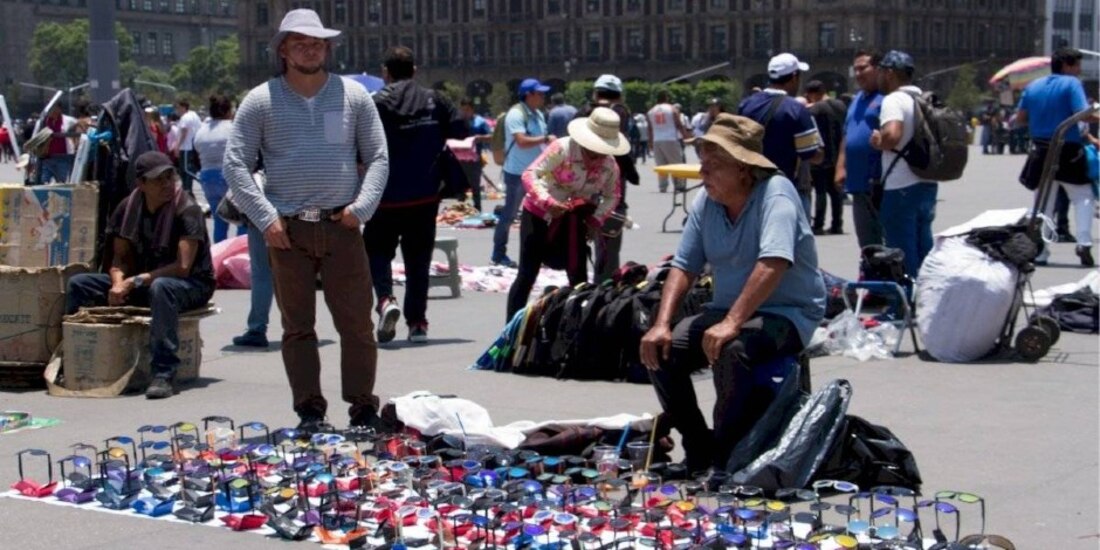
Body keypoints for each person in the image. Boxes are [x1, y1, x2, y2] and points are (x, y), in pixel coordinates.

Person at [224, 8, 390, 433]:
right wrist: (264, 218)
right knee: (297, 326)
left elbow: (377, 156)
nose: (310, 49)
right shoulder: (261, 99)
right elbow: (236, 163)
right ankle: (309, 410)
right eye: (300, 42)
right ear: (283, 50)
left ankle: (362, 406)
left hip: (343, 225)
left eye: (317, 43)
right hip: (287, 229)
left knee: (356, 323)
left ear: (328, 49)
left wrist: (362, 207)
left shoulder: (352, 96)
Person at [639, 114, 825, 472]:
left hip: (787, 312)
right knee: (660, 349)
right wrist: (661, 323)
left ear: (743, 169)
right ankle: (698, 448)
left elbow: (773, 262)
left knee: (733, 350)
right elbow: (684, 265)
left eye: (714, 165)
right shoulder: (708, 201)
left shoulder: (777, 195)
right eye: (702, 164)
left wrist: (732, 322)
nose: (703, 173)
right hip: (728, 310)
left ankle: (728, 457)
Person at [65, 151, 215, 399]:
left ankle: (163, 373)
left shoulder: (187, 208)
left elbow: (183, 266)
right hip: (144, 282)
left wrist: (135, 281)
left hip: (190, 285)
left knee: (163, 287)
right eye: (159, 180)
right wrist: (117, 284)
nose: (167, 185)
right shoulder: (127, 209)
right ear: (141, 184)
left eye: (170, 177)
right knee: (80, 285)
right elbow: (119, 258)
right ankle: (72, 359)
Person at [366, 46, 467, 344]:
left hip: (385, 194)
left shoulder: (377, 103)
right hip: (424, 195)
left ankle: (385, 299)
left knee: (376, 251)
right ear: (415, 69)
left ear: (386, 72)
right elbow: (460, 128)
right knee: (418, 260)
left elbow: (358, 140)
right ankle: (418, 323)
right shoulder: (436, 99)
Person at [505, 107, 625, 320]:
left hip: (575, 221)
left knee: (578, 275)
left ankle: (576, 328)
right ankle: (510, 329)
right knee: (527, 274)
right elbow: (531, 173)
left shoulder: (609, 165)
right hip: (539, 215)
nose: (597, 155)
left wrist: (596, 220)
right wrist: (548, 202)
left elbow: (612, 196)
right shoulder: (562, 148)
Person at [1015, 47, 1094, 266]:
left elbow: (1020, 118)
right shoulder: (1072, 84)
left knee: (1043, 201)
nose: (1078, 70)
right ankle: (1084, 242)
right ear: (1067, 65)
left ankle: (1040, 251)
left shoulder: (1033, 85)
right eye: (1077, 65)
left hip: (1040, 149)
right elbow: (1083, 113)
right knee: (1082, 195)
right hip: (1067, 147)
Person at [871, 50, 940, 278]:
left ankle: (901, 304)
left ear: (889, 73)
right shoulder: (924, 98)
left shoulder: (894, 99)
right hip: (927, 183)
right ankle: (926, 297)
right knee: (924, 246)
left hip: (900, 185)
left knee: (900, 250)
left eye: (881, 71)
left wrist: (878, 140)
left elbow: (892, 135)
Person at [737, 52, 823, 216]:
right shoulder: (796, 109)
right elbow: (812, 155)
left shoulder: (746, 105)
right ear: (794, 77)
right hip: (785, 189)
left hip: (751, 188)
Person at [575, 74, 640, 282]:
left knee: (577, 243)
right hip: (611, 187)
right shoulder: (619, 112)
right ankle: (604, 290)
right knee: (608, 245)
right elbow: (621, 150)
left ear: (596, 92)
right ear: (619, 95)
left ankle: (579, 287)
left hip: (580, 186)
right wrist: (632, 173)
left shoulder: (584, 111)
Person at [494, 78, 551, 268]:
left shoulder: (539, 115)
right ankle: (498, 254)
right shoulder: (515, 115)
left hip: (537, 174)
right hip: (517, 174)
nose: (543, 97)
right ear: (528, 95)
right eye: (540, 93)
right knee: (510, 214)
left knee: (540, 215)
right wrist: (545, 138)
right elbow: (521, 141)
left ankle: (539, 255)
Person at [835, 49, 885, 249]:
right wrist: (840, 166)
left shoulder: (887, 98)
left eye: (863, 68)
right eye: (855, 69)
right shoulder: (857, 99)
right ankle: (871, 275)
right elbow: (847, 135)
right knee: (866, 242)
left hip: (880, 183)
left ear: (878, 68)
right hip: (858, 184)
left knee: (885, 242)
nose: (858, 73)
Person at [193, 93, 243, 243]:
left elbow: (196, 158)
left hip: (207, 178)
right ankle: (239, 256)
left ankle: (219, 257)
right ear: (228, 111)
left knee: (219, 221)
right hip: (230, 176)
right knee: (242, 219)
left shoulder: (201, 131)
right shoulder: (234, 128)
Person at [805, 80, 848, 235]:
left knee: (821, 192)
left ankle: (818, 224)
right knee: (835, 192)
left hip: (821, 157)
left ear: (811, 94)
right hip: (839, 156)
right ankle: (837, 224)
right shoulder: (841, 106)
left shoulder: (814, 110)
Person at [648, 91, 689, 192]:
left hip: (657, 140)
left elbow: (650, 128)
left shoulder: (651, 111)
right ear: (666, 98)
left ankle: (662, 186)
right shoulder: (672, 108)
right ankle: (679, 185)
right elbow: (678, 124)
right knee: (676, 163)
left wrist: (650, 142)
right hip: (670, 139)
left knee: (661, 165)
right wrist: (686, 136)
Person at [458, 97, 493, 213]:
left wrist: (480, 138)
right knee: (460, 186)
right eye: (463, 110)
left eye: (467, 110)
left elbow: (491, 137)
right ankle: (460, 209)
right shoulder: (457, 121)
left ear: (472, 109)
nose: (465, 112)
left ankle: (477, 208)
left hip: (474, 159)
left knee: (475, 186)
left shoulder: (480, 122)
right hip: (459, 159)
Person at [37, 104, 78, 184]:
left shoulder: (69, 120)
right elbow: (35, 138)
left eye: (55, 109)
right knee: (43, 181)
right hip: (47, 157)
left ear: (59, 109)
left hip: (63, 157)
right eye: (51, 109)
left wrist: (75, 141)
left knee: (62, 183)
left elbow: (80, 125)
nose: (52, 111)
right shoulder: (42, 122)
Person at [173, 99, 202, 195]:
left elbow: (184, 132)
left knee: (187, 169)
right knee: (183, 172)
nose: (177, 110)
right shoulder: (194, 115)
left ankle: (203, 180)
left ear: (183, 107)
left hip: (186, 147)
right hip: (192, 146)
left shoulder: (185, 117)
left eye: (178, 107)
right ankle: (187, 190)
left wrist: (177, 145)